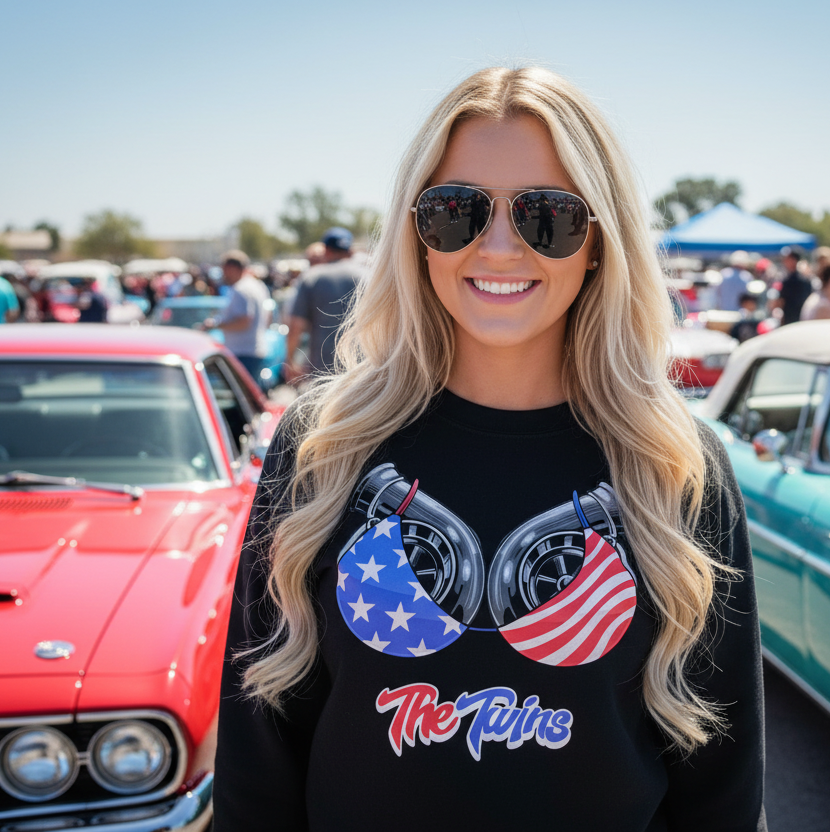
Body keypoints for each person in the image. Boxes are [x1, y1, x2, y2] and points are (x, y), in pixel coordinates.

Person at [214, 66, 766, 832]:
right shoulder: (323, 445)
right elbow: (257, 762)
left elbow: (724, 789)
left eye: (548, 215)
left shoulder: (675, 462)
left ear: (600, 242)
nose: (498, 247)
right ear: (418, 235)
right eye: (456, 211)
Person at [285, 227, 368, 381]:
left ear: (326, 250)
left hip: (323, 369)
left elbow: (296, 325)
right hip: (363, 367)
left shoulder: (312, 277)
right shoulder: (369, 276)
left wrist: (290, 360)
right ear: (350, 250)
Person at [201, 250, 271, 380]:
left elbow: (244, 321)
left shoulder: (241, 288)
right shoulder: (257, 285)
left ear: (232, 268)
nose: (223, 274)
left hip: (242, 352)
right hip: (252, 350)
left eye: (224, 269)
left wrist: (215, 325)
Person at [775, 245, 811, 325]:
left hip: (793, 320)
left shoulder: (792, 281)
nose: (784, 261)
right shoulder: (805, 279)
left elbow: (781, 302)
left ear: (794, 260)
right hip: (801, 319)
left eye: (787, 259)